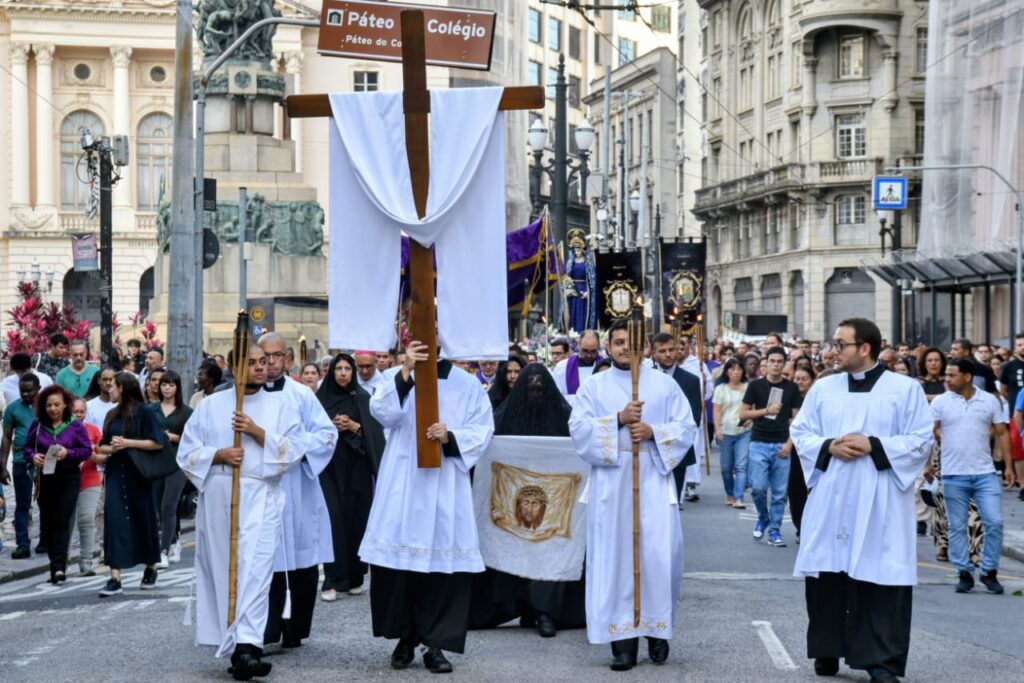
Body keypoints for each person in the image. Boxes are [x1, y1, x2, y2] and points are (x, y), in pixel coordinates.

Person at [790, 318, 934, 683]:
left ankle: (881, 662)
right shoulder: (824, 389)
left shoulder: (904, 389)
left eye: (841, 344)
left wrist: (874, 444)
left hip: (880, 497)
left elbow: (921, 440)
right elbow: (801, 431)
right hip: (833, 496)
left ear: (865, 348)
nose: (833, 350)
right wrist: (828, 445)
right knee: (828, 572)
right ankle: (827, 648)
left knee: (880, 575)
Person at [359, 340, 494, 674]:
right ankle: (405, 637)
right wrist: (405, 371)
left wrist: (452, 436)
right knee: (399, 567)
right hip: (403, 481)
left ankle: (435, 644)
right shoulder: (394, 375)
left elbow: (482, 429)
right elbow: (383, 414)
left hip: (444, 483)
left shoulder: (466, 384)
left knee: (441, 566)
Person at [569, 321, 696, 671]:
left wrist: (654, 431)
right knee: (616, 559)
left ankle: (657, 630)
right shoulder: (594, 387)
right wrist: (618, 420)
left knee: (658, 556)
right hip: (613, 481)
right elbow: (578, 430)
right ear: (609, 346)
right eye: (619, 342)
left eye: (632, 342)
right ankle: (622, 641)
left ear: (644, 347)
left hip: (652, 479)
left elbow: (687, 428)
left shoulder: (664, 386)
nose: (626, 347)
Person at [177, 345, 306, 680]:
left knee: (257, 570)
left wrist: (257, 432)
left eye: (264, 362)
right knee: (226, 570)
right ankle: (234, 646)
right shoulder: (210, 407)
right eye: (251, 362)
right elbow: (187, 452)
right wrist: (218, 454)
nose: (261, 368)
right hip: (221, 495)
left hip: (261, 494)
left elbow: (294, 450)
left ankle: (249, 646)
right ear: (234, 367)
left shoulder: (282, 405)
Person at [470, 364, 586, 638]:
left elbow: (582, 446)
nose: (535, 393)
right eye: (530, 388)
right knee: (514, 546)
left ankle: (546, 610)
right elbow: (484, 447)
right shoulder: (503, 416)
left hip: (553, 501)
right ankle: (518, 605)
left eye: (540, 389)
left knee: (550, 549)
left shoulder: (564, 418)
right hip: (514, 499)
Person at [257, 332, 337, 651]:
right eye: (265, 357)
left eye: (277, 356)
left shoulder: (301, 395)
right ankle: (265, 629)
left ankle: (295, 628)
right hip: (261, 487)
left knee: (299, 556)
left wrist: (295, 449)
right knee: (265, 557)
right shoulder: (246, 396)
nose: (271, 362)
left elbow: (327, 434)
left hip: (296, 485)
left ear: (288, 359)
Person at [929, 359, 1013, 594]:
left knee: (994, 522)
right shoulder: (940, 402)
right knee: (956, 526)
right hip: (953, 474)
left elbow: (1002, 433)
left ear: (967, 377)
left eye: (952, 375)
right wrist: (927, 464)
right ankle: (963, 572)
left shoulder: (989, 401)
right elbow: (927, 432)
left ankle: (989, 571)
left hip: (985, 473)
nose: (947, 379)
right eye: (946, 374)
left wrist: (1009, 466)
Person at [316, 353, 386, 602]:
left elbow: (377, 437)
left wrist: (355, 426)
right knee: (333, 520)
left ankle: (355, 576)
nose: (343, 373)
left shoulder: (363, 398)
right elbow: (310, 430)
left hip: (356, 470)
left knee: (357, 520)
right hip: (330, 470)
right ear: (331, 372)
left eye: (348, 368)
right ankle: (333, 579)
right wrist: (330, 426)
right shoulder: (320, 399)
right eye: (339, 368)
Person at [95, 373, 167, 597]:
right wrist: (113, 449)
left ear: (123, 388)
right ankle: (115, 578)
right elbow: (101, 447)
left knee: (143, 518)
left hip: (139, 473)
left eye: (113, 386)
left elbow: (158, 442)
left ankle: (150, 567)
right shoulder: (111, 414)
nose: (109, 389)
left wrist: (128, 443)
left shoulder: (145, 412)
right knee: (114, 521)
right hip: (116, 472)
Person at [25, 385, 93, 583]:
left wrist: (68, 453)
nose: (53, 409)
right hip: (45, 479)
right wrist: (33, 456)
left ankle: (58, 568)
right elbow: (27, 448)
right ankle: (55, 561)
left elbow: (86, 450)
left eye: (57, 405)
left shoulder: (75, 425)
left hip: (68, 478)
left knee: (62, 519)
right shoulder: (38, 425)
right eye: (49, 405)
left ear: (65, 405)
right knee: (48, 522)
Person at [740, 346, 802, 547]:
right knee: (758, 488)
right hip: (759, 442)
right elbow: (743, 414)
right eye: (772, 361)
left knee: (779, 492)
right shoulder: (755, 386)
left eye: (779, 361)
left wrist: (789, 444)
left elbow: (797, 420)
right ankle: (763, 517)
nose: (776, 365)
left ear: (784, 363)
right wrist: (766, 410)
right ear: (765, 363)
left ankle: (775, 531)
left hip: (782, 443)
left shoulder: (791, 388)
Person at [650, 333, 702, 507]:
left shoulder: (691, 380)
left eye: (671, 349)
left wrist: (673, 435)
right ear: (653, 353)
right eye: (662, 351)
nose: (668, 354)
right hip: (650, 447)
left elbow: (695, 416)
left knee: (673, 501)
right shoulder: (645, 378)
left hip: (678, 447)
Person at [148, 370, 192, 568]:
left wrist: (174, 437)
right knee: (158, 508)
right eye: (164, 384)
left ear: (177, 387)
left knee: (168, 506)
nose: (166, 387)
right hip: (156, 462)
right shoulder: (150, 410)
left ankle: (163, 551)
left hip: (177, 463)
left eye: (171, 384)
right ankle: (174, 542)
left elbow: (194, 439)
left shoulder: (186, 411)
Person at [1, 374, 43, 558]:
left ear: (38, 389)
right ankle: (23, 544)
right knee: (22, 504)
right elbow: (7, 437)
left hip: (43, 461)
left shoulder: (46, 407)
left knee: (46, 502)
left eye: (30, 390)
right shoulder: (12, 409)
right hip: (20, 461)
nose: (26, 394)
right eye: (22, 391)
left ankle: (46, 541)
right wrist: (2, 466)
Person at [70, 397, 103, 575]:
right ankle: (61, 563)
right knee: (66, 523)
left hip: (90, 479)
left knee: (86, 519)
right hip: (66, 481)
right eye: (75, 412)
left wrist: (90, 454)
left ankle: (86, 561)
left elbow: (103, 456)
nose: (79, 416)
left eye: (82, 412)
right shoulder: (60, 430)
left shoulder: (93, 431)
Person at [713, 358, 751, 509]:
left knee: (741, 465)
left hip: (744, 431)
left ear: (743, 371)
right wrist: (717, 429)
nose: (736, 372)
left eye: (739, 369)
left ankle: (738, 497)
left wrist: (751, 419)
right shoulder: (720, 389)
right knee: (726, 467)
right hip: (725, 431)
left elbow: (753, 407)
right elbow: (716, 411)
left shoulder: (748, 387)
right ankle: (730, 492)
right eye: (732, 369)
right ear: (727, 371)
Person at [788, 365, 816, 538]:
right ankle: (799, 525)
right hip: (794, 448)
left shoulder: (816, 397)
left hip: (813, 449)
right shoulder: (789, 396)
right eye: (797, 378)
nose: (800, 382)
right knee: (795, 489)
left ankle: (811, 525)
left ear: (812, 381)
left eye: (804, 379)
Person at [551, 330, 602, 399]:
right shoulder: (562, 368)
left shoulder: (606, 367)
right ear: (579, 345)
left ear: (598, 347)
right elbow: (556, 397)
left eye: (593, 351)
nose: (589, 355)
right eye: (585, 351)